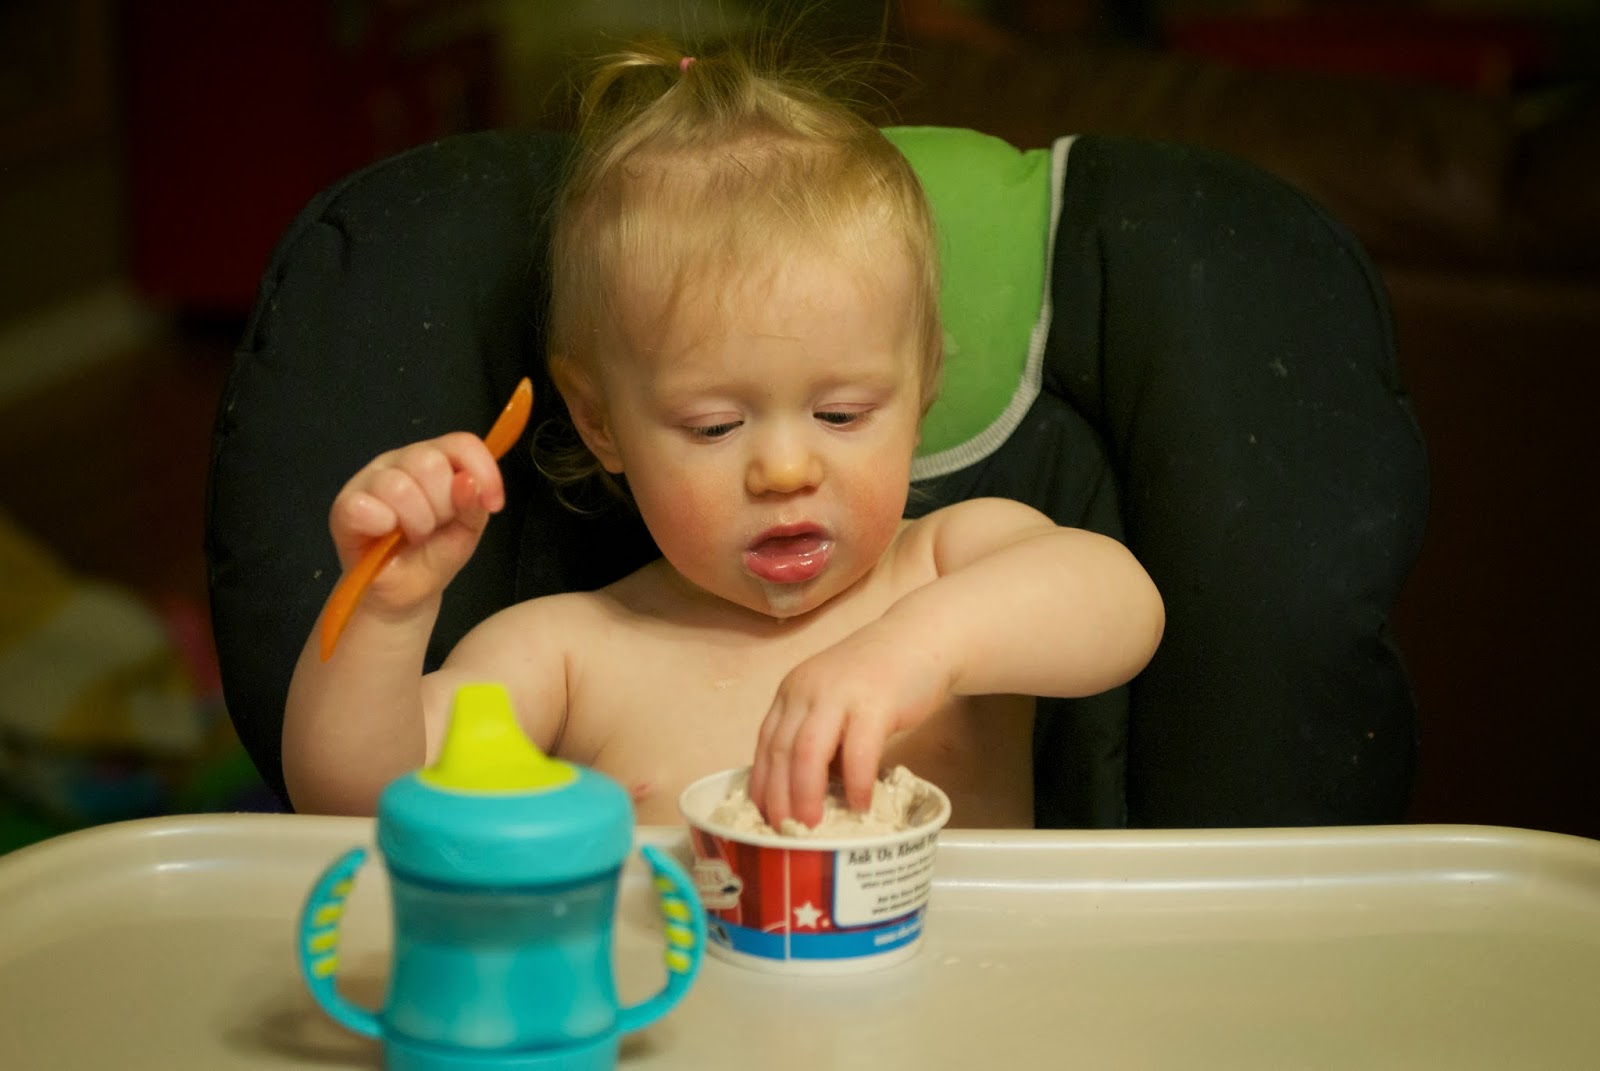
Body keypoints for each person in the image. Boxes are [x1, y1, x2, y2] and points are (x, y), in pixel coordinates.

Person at [283, 35, 1164, 830]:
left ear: (923, 382)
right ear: (600, 422)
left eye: (841, 414)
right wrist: (387, 613)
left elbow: (1123, 605)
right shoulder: (570, 653)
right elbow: (359, 802)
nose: (784, 468)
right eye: (714, 426)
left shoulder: (948, 567)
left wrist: (913, 652)